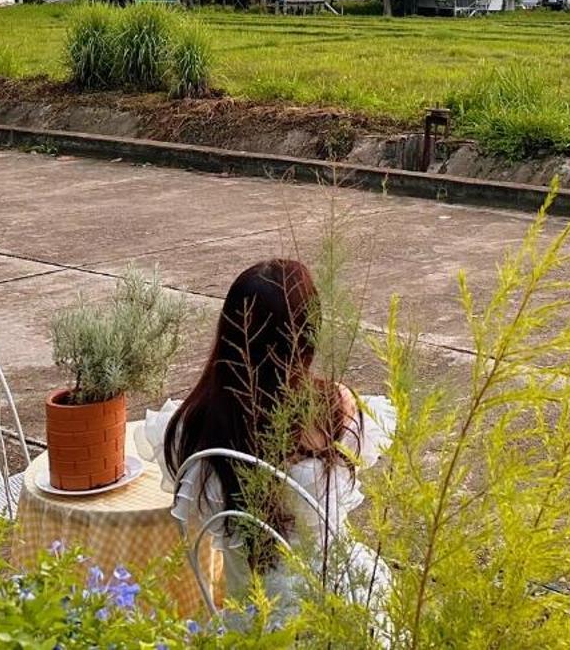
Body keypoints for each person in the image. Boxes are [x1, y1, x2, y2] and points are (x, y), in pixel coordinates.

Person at [143, 258, 393, 616]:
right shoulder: (335, 409)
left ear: (228, 332)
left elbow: (193, 506)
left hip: (252, 613)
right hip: (337, 606)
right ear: (308, 333)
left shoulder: (193, 423)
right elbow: (362, 460)